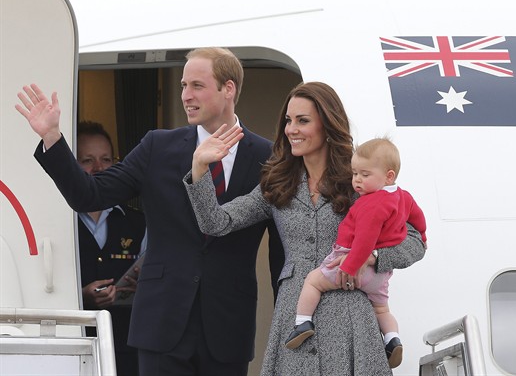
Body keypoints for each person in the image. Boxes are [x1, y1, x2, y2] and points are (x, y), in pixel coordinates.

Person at [15, 46, 284, 376]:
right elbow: (89, 195)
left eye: (196, 86)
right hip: (161, 323)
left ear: (228, 89)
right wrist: (53, 137)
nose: (186, 95)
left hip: (229, 325)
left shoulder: (268, 157)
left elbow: (281, 251)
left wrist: (291, 321)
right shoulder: (158, 147)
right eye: (183, 86)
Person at [183, 81, 426, 375]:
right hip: (295, 314)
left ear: (327, 125)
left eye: (303, 121)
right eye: (288, 120)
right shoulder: (277, 183)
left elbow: (416, 241)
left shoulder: (360, 179)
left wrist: (373, 258)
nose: (291, 129)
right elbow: (217, 223)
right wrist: (199, 168)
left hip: (350, 317)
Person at [283, 137, 427, 368]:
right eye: (355, 174)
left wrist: (349, 266)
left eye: (364, 175)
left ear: (388, 176)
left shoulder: (370, 204)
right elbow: (418, 218)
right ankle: (392, 339)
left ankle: (302, 322)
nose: (357, 180)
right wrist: (423, 235)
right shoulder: (403, 196)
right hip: (380, 276)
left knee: (313, 282)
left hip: (351, 261)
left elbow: (364, 241)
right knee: (381, 308)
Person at [76, 120, 147, 376]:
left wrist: (144, 283)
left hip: (126, 346)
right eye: (87, 160)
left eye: (106, 159)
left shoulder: (138, 221)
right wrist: (82, 295)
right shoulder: (59, 222)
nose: (98, 168)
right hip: (75, 343)